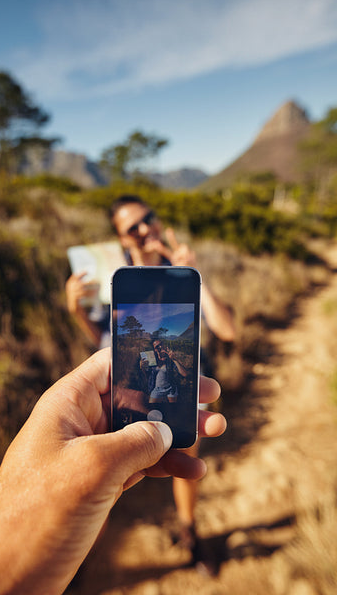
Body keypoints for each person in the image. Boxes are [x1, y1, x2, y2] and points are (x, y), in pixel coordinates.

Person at [0, 348, 226, 595]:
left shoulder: (186, 297)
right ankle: (79, 555)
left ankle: (189, 533)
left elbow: (218, 332)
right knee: (103, 485)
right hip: (119, 391)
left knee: (180, 464)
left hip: (177, 399)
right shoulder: (111, 293)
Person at [66, 195, 236, 564]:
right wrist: (76, 310)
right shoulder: (114, 278)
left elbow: (227, 329)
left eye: (149, 219)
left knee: (186, 456)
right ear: (121, 239)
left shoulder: (184, 270)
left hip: (184, 385)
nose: (145, 230)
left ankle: (189, 531)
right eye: (133, 228)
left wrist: (194, 274)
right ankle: (85, 556)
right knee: (113, 466)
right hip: (130, 384)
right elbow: (104, 340)